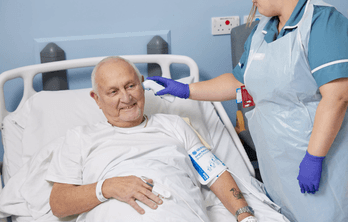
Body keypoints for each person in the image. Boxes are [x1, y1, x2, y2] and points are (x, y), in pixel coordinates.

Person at [147, 0, 348, 221]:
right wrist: (186, 90)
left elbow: (338, 97)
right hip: (283, 164)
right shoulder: (264, 29)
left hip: (332, 162)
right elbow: (239, 81)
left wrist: (314, 158)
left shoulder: (322, 24)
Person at [45, 56, 259, 222]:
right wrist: (107, 187)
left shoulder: (174, 125)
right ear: (97, 99)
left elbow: (214, 173)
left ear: (141, 84)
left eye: (130, 86)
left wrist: (245, 215)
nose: (126, 98)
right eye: (113, 92)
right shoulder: (80, 138)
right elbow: (59, 204)